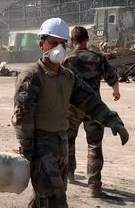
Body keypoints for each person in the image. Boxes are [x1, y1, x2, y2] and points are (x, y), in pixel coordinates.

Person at [12, 18, 129, 208]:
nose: (59, 47)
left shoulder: (68, 76)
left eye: (62, 43)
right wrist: (27, 150)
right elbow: (22, 116)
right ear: (42, 45)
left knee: (43, 199)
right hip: (41, 146)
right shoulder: (32, 76)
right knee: (55, 200)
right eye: (53, 42)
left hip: (61, 143)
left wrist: (113, 120)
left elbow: (89, 100)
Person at [63, 26, 121, 198]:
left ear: (72, 41)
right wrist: (116, 91)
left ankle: (69, 173)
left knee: (68, 141)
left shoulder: (66, 60)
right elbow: (112, 77)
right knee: (94, 144)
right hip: (94, 108)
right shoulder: (98, 58)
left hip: (71, 108)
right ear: (87, 39)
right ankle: (95, 186)